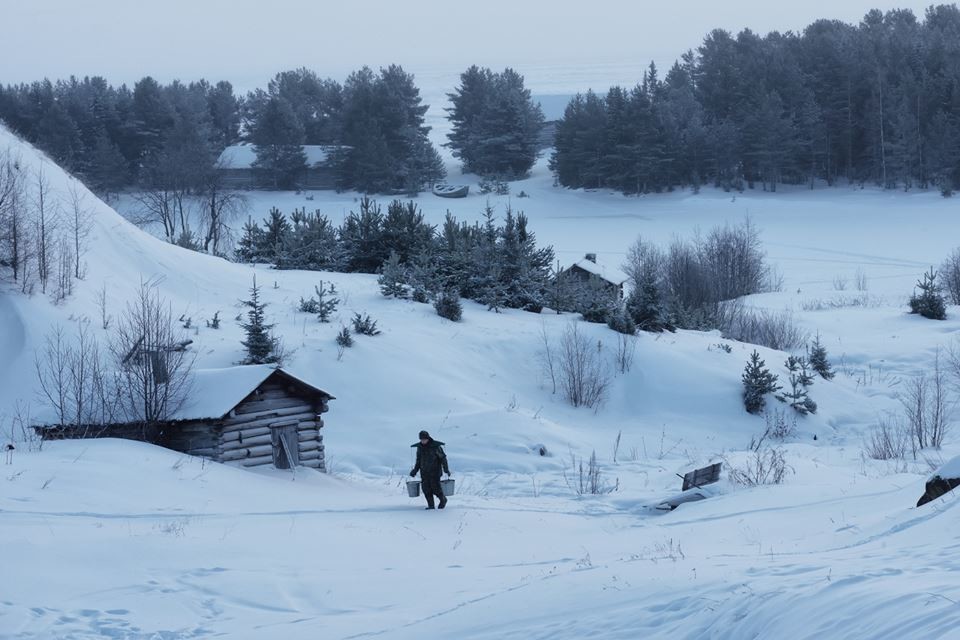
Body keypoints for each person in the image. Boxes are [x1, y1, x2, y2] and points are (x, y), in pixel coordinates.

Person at [409, 430, 450, 509]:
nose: (423, 441)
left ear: (428, 438)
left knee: (436, 488)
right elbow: (418, 460)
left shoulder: (436, 447)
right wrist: (415, 470)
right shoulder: (420, 448)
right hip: (424, 472)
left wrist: (446, 469)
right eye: (421, 439)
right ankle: (431, 506)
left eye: (424, 439)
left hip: (435, 472)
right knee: (426, 489)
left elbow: (443, 458)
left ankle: (443, 500)